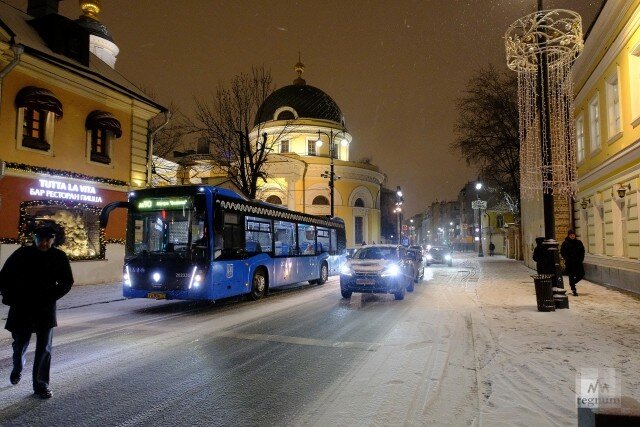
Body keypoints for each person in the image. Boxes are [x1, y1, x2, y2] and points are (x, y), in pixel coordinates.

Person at [0, 225, 74, 398]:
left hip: (45, 307)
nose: (44, 243)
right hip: (22, 305)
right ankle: (18, 366)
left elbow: (66, 282)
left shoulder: (59, 257)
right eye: (40, 239)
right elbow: (3, 276)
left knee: (44, 348)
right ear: (34, 239)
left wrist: (50, 296)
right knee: (20, 344)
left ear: (53, 240)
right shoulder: (21, 254)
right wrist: (8, 295)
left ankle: (41, 385)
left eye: (48, 239)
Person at [560, 229, 585, 296]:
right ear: (568, 235)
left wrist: (581, 258)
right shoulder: (565, 243)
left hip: (578, 262)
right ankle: (573, 290)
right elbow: (562, 252)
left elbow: (582, 251)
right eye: (571, 235)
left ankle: (572, 283)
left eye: (573, 235)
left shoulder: (579, 242)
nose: (572, 236)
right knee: (571, 276)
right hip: (570, 263)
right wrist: (566, 258)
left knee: (581, 274)